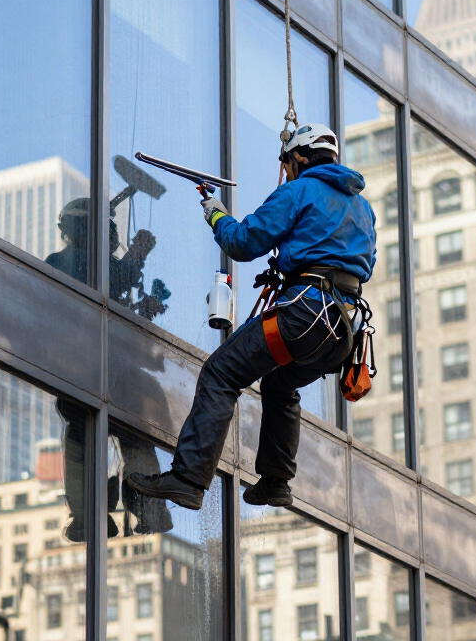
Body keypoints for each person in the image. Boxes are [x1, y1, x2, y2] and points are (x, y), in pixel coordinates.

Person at [126, 123, 376, 510]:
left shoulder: (298, 190)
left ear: (299, 157)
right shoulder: (362, 207)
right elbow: (363, 265)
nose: (286, 168)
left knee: (222, 373)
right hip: (342, 331)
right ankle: (276, 481)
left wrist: (216, 216)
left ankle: (188, 479)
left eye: (286, 161)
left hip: (305, 313)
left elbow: (243, 243)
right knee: (279, 386)